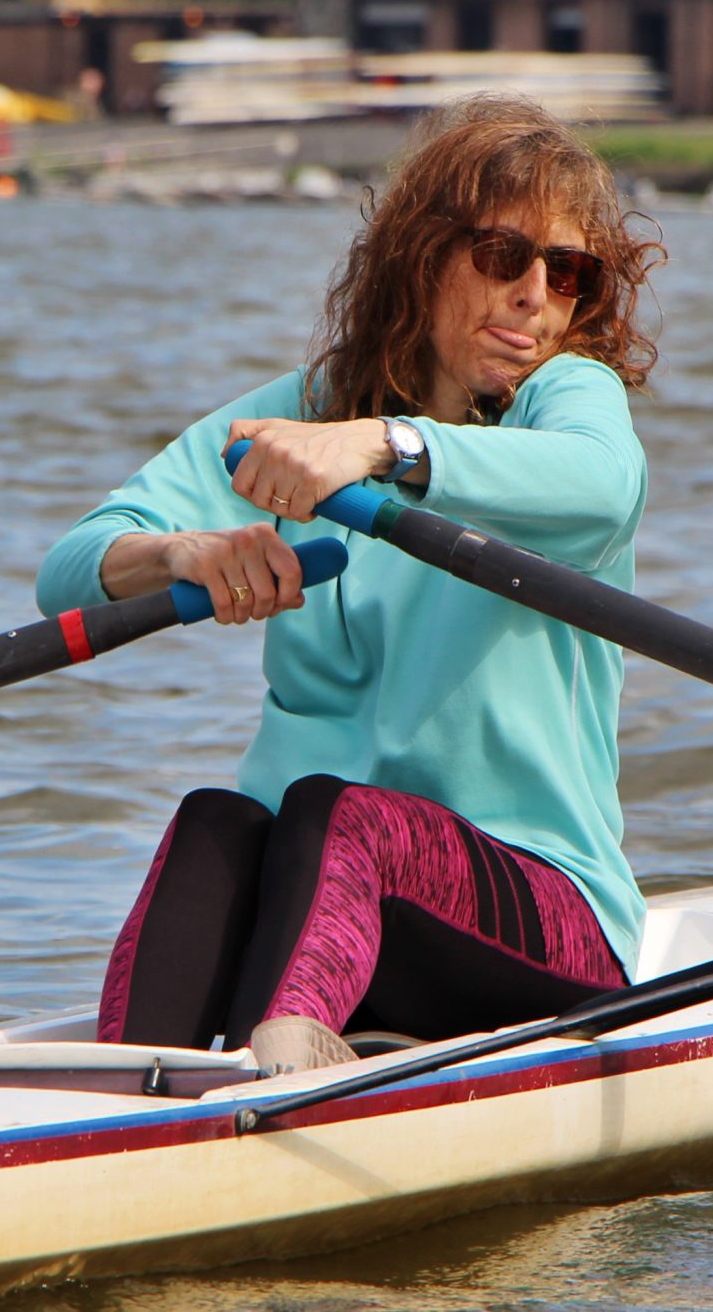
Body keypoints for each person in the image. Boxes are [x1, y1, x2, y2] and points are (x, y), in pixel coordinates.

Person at [36, 95, 662, 1075]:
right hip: (326, 917)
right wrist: (182, 554)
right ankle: (124, 1098)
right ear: (423, 255)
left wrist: (383, 446)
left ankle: (277, 1077)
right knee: (217, 822)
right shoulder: (304, 413)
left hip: (543, 920)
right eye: (503, 255)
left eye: (568, 271)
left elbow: (603, 481)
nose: (534, 295)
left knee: (347, 815)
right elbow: (71, 571)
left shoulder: (562, 398)